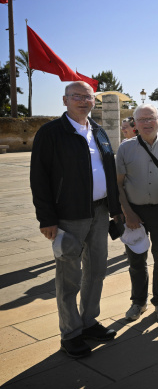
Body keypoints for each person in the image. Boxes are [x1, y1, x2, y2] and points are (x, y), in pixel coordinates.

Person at [30, 81, 121, 358]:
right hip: (69, 216)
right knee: (68, 277)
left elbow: (108, 170)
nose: (83, 100)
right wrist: (47, 218)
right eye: (76, 96)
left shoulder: (99, 131)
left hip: (100, 212)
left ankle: (89, 321)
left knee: (96, 272)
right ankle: (70, 332)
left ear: (94, 101)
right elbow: (39, 177)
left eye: (87, 96)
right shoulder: (51, 133)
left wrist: (115, 209)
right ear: (65, 100)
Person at [116, 104, 158, 323]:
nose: (147, 123)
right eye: (141, 119)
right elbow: (118, 185)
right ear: (134, 124)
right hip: (134, 211)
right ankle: (137, 302)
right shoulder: (125, 148)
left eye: (151, 118)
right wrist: (127, 213)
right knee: (136, 260)